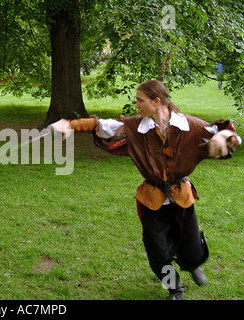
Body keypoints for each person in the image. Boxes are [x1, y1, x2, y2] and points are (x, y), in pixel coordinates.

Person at [50, 80, 241, 300]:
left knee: (191, 249)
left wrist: (225, 137)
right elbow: (100, 125)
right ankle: (175, 288)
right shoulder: (135, 127)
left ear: (156, 101)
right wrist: (69, 125)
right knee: (157, 252)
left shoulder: (190, 125)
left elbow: (227, 131)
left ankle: (191, 265)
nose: (137, 105)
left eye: (141, 100)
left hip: (182, 196)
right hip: (152, 199)